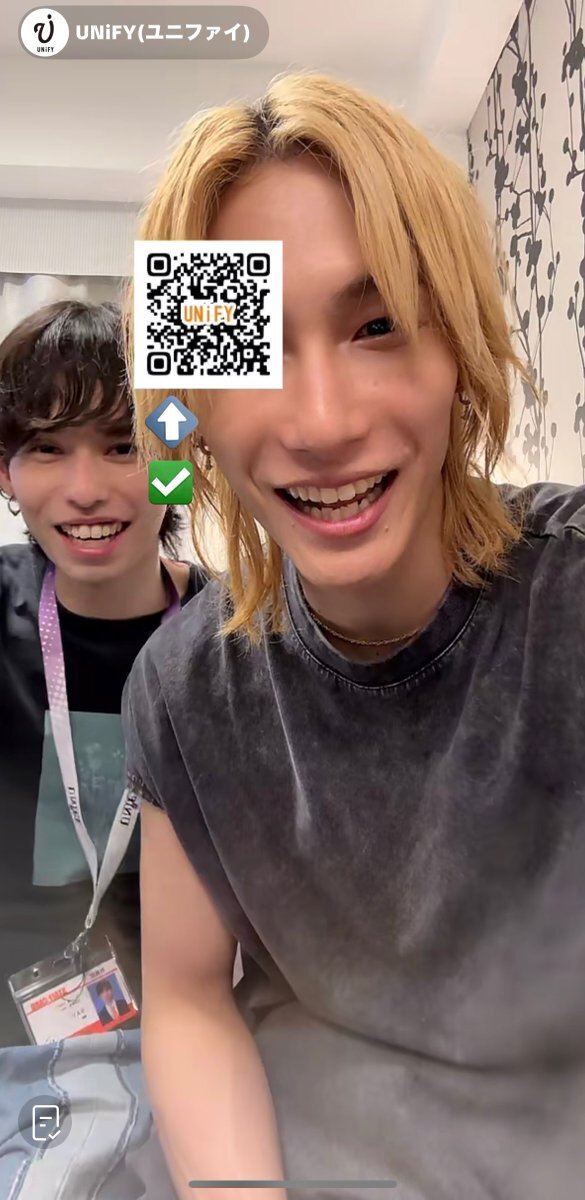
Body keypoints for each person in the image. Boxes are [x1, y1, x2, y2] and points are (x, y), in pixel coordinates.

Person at [122, 71, 585, 1200]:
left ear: (457, 354)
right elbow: (186, 994)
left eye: (377, 325)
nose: (322, 422)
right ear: (197, 409)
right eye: (253, 352)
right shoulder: (185, 691)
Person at [0, 299, 207, 1049]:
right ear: (6, 473)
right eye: (47, 448)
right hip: (17, 1037)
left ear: (177, 469)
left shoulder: (238, 643)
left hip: (196, 1022)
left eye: (124, 446)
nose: (85, 488)